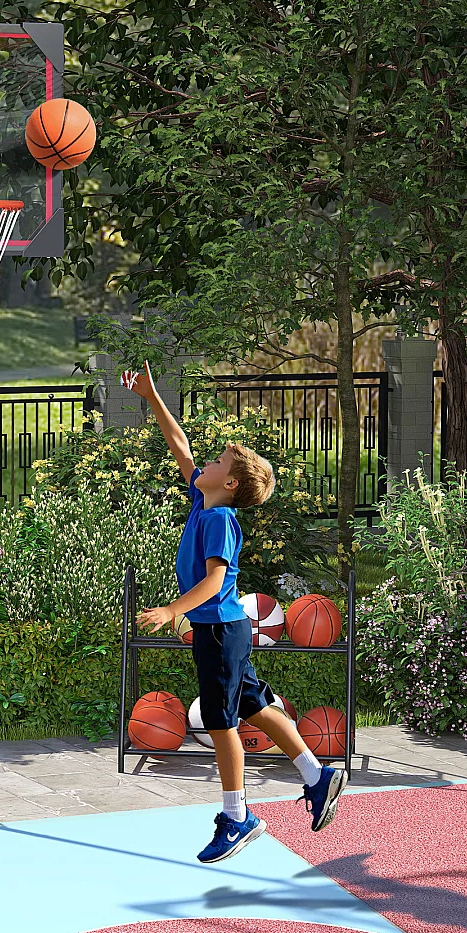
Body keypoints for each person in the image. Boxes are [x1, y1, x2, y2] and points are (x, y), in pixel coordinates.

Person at [122, 362, 347, 863]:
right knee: (257, 706)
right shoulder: (205, 501)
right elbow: (179, 444)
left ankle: (238, 816)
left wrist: (170, 610)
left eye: (220, 461)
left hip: (220, 631)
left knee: (223, 723)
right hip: (224, 630)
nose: (207, 461)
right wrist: (152, 395)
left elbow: (217, 580)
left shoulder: (220, 516)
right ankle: (318, 775)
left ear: (229, 484)